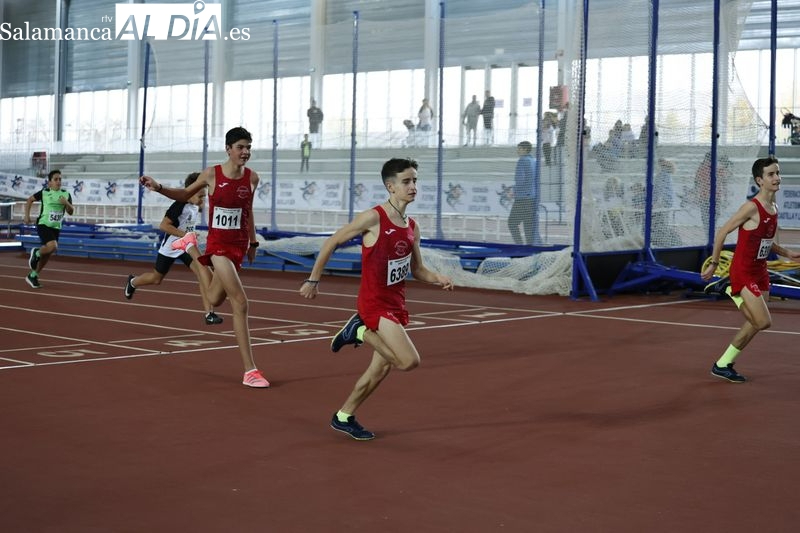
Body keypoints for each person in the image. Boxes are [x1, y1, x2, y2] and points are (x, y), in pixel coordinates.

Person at [299, 157, 454, 441]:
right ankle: (358, 330)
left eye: (415, 180)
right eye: (406, 181)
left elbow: (417, 269)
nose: (413, 186)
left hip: (396, 305)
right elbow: (332, 241)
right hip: (374, 305)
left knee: (379, 369)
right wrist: (313, 279)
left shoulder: (412, 226)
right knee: (408, 361)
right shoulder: (373, 218)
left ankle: (344, 416)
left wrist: (438, 277)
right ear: (390, 186)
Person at [138, 126, 269, 388]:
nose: (245, 152)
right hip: (218, 246)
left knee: (214, 298)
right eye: (240, 147)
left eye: (248, 147)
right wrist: (159, 187)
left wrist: (253, 242)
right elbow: (184, 195)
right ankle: (250, 371)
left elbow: (248, 211)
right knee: (240, 302)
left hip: (238, 246)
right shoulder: (211, 174)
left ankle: (193, 252)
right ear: (228, 149)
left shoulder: (253, 178)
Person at [700, 156, 800, 383]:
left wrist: (787, 253)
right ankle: (729, 290)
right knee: (764, 322)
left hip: (760, 270)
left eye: (778, 173)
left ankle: (723, 364)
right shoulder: (751, 208)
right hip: (743, 270)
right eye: (771, 174)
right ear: (759, 180)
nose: (777, 178)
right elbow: (722, 232)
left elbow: (765, 241)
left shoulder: (773, 207)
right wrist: (714, 263)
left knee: (754, 323)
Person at [123, 172, 223, 326]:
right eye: (201, 196)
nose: (203, 201)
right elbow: (164, 226)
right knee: (156, 279)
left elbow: (188, 224)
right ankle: (133, 282)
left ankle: (209, 313)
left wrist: (190, 235)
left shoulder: (195, 205)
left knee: (202, 273)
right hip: (171, 246)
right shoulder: (179, 205)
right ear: (190, 191)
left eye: (204, 197)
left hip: (186, 246)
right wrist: (185, 235)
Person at [23, 169, 74, 289]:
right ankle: (36, 252)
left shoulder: (66, 194)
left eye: (60, 179)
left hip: (56, 227)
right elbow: (30, 200)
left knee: (47, 253)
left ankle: (33, 275)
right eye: (55, 179)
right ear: (49, 182)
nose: (58, 181)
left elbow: (71, 211)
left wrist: (66, 203)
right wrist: (26, 216)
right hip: (43, 224)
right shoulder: (44, 192)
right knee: (53, 246)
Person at [507, 141, 540, 245]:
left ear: (525, 149)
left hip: (522, 198)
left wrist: (514, 191)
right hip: (532, 197)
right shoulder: (534, 161)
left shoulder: (522, 161)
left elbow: (520, 179)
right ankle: (530, 248)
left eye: (519, 148)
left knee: (512, 223)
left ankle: (519, 244)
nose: (517, 150)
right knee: (528, 225)